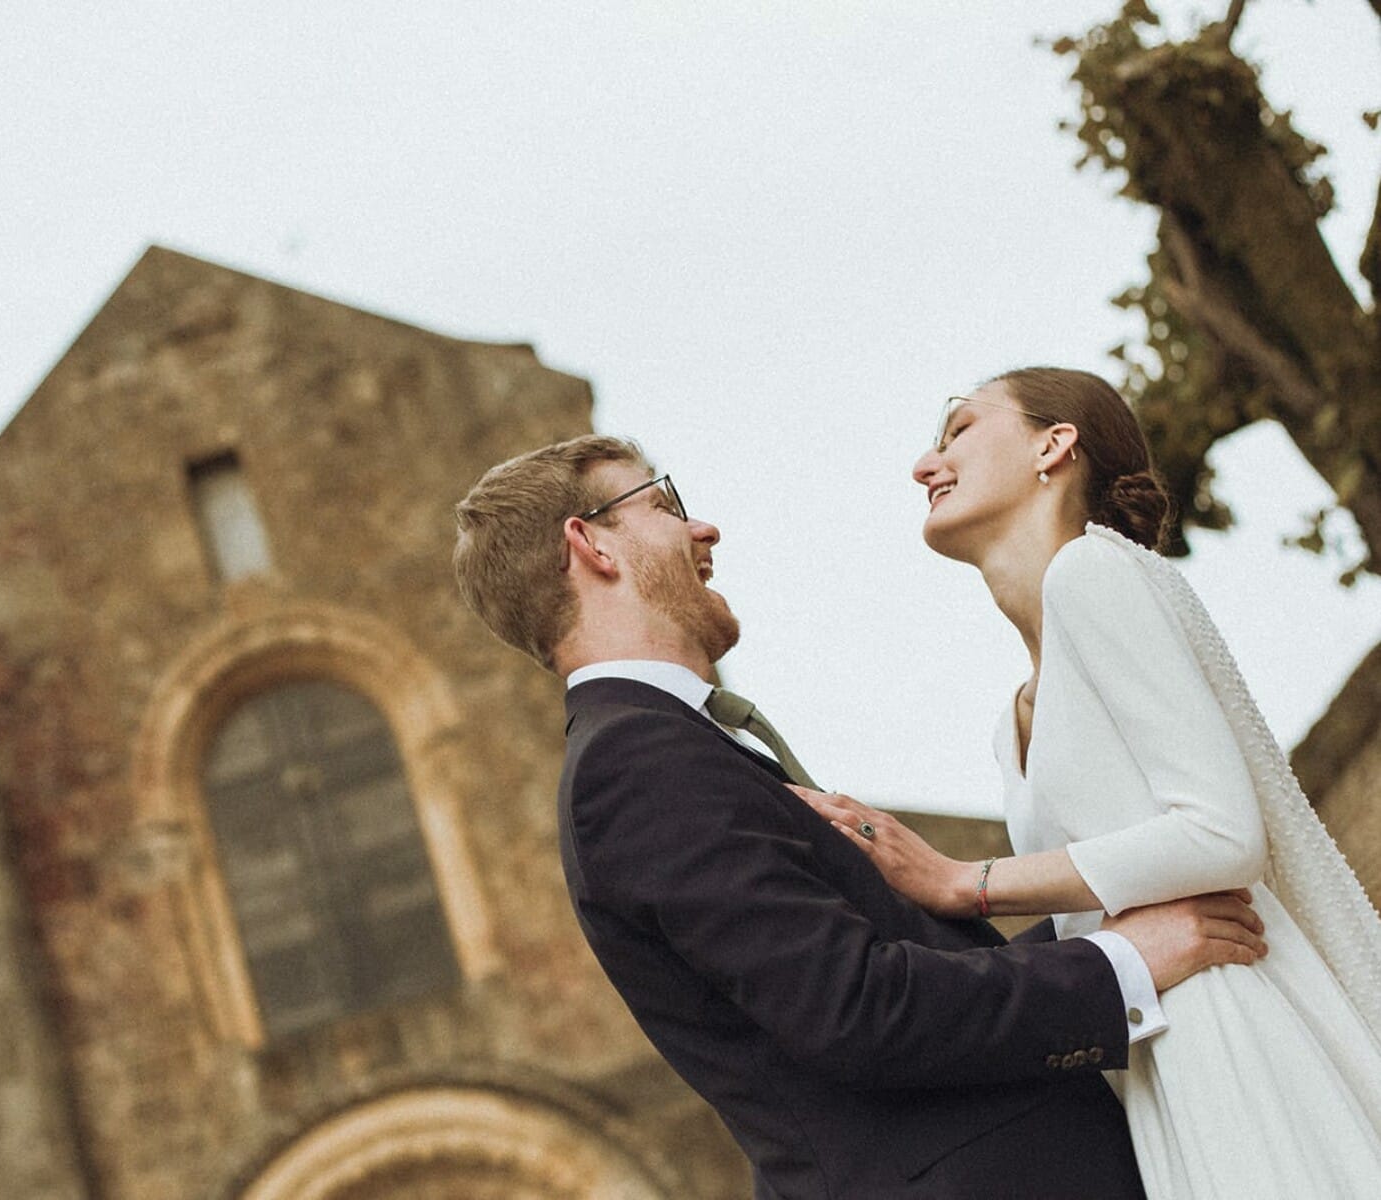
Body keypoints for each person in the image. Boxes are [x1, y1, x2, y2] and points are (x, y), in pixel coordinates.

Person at [453, 433, 1266, 1199]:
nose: (704, 529)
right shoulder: (634, 763)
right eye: (664, 506)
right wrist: (1119, 964)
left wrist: (1093, 920)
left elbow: (881, 980)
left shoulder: (663, 748)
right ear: (591, 545)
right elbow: (858, 1011)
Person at [803, 367, 1381, 1198]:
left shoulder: (1091, 574)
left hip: (1229, 1028)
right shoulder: (1013, 718)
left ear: (1054, 445)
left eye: (959, 430)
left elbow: (1222, 833)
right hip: (1149, 1061)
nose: (925, 465)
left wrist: (964, 882)